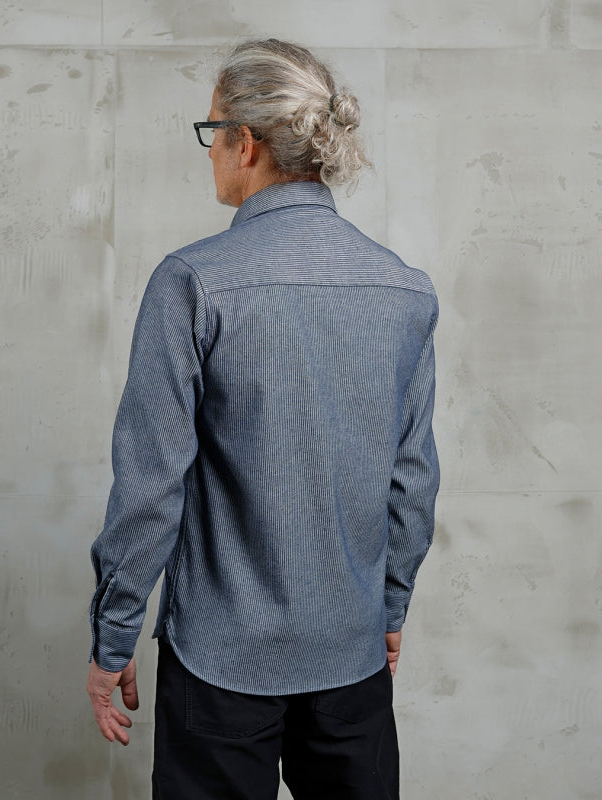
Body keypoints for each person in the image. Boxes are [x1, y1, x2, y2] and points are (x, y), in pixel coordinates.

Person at [87, 38, 439, 800]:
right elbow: (412, 482)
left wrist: (114, 635)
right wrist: (390, 607)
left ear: (244, 142)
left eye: (211, 131)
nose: (210, 152)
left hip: (221, 658)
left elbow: (150, 487)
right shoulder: (405, 288)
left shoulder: (193, 282)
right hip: (349, 652)